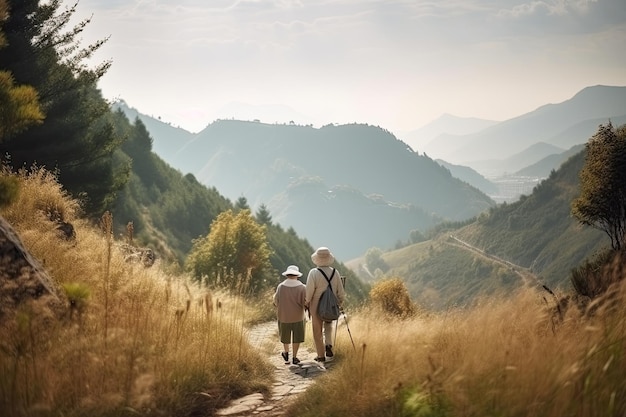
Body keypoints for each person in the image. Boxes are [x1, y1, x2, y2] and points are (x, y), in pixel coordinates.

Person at [305, 247, 346, 363]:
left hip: (316, 305)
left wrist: (306, 301)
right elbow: (341, 291)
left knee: (317, 331)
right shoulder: (335, 272)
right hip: (331, 304)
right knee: (328, 326)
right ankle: (329, 345)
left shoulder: (313, 273)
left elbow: (309, 291)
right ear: (329, 258)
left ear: (317, 259)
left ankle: (321, 355)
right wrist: (340, 302)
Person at [273, 265, 307, 365]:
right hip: (298, 316)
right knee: (297, 336)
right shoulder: (302, 287)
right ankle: (295, 357)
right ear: (297, 275)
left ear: (287, 275)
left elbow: (276, 301)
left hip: (283, 316)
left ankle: (286, 352)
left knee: (285, 336)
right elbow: (305, 302)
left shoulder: (281, 286)